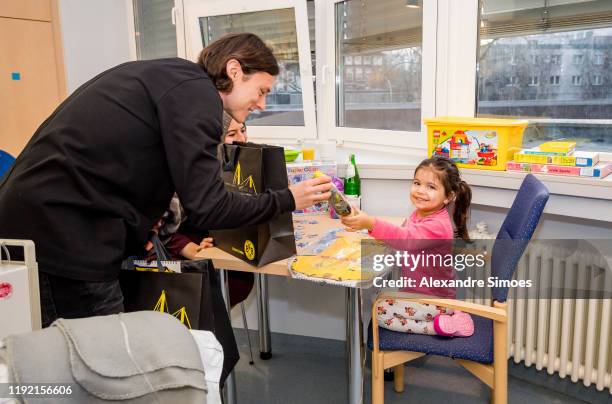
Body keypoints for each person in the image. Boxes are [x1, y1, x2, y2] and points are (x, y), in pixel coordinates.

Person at [0, 33, 332, 327]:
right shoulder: (196, 95)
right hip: (61, 235)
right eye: (261, 90)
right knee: (99, 361)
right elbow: (210, 208)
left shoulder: (172, 80)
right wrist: (288, 198)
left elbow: (130, 165)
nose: (261, 104)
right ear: (234, 71)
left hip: (38, 220)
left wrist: (141, 228)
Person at [341, 156, 474, 337]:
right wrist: (369, 225)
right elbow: (404, 237)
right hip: (418, 292)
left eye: (431, 187)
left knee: (379, 312)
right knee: (377, 293)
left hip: (434, 301)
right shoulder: (421, 213)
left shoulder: (438, 226)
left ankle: (442, 326)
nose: (420, 191)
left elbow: (406, 238)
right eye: (417, 183)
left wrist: (371, 223)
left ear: (448, 196)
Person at [148, 115, 254, 307]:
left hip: (205, 235)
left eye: (243, 130)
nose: (242, 139)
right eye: (231, 133)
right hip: (171, 243)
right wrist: (190, 248)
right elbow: (160, 226)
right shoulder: (186, 168)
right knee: (208, 288)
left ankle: (211, 324)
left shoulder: (236, 160)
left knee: (241, 279)